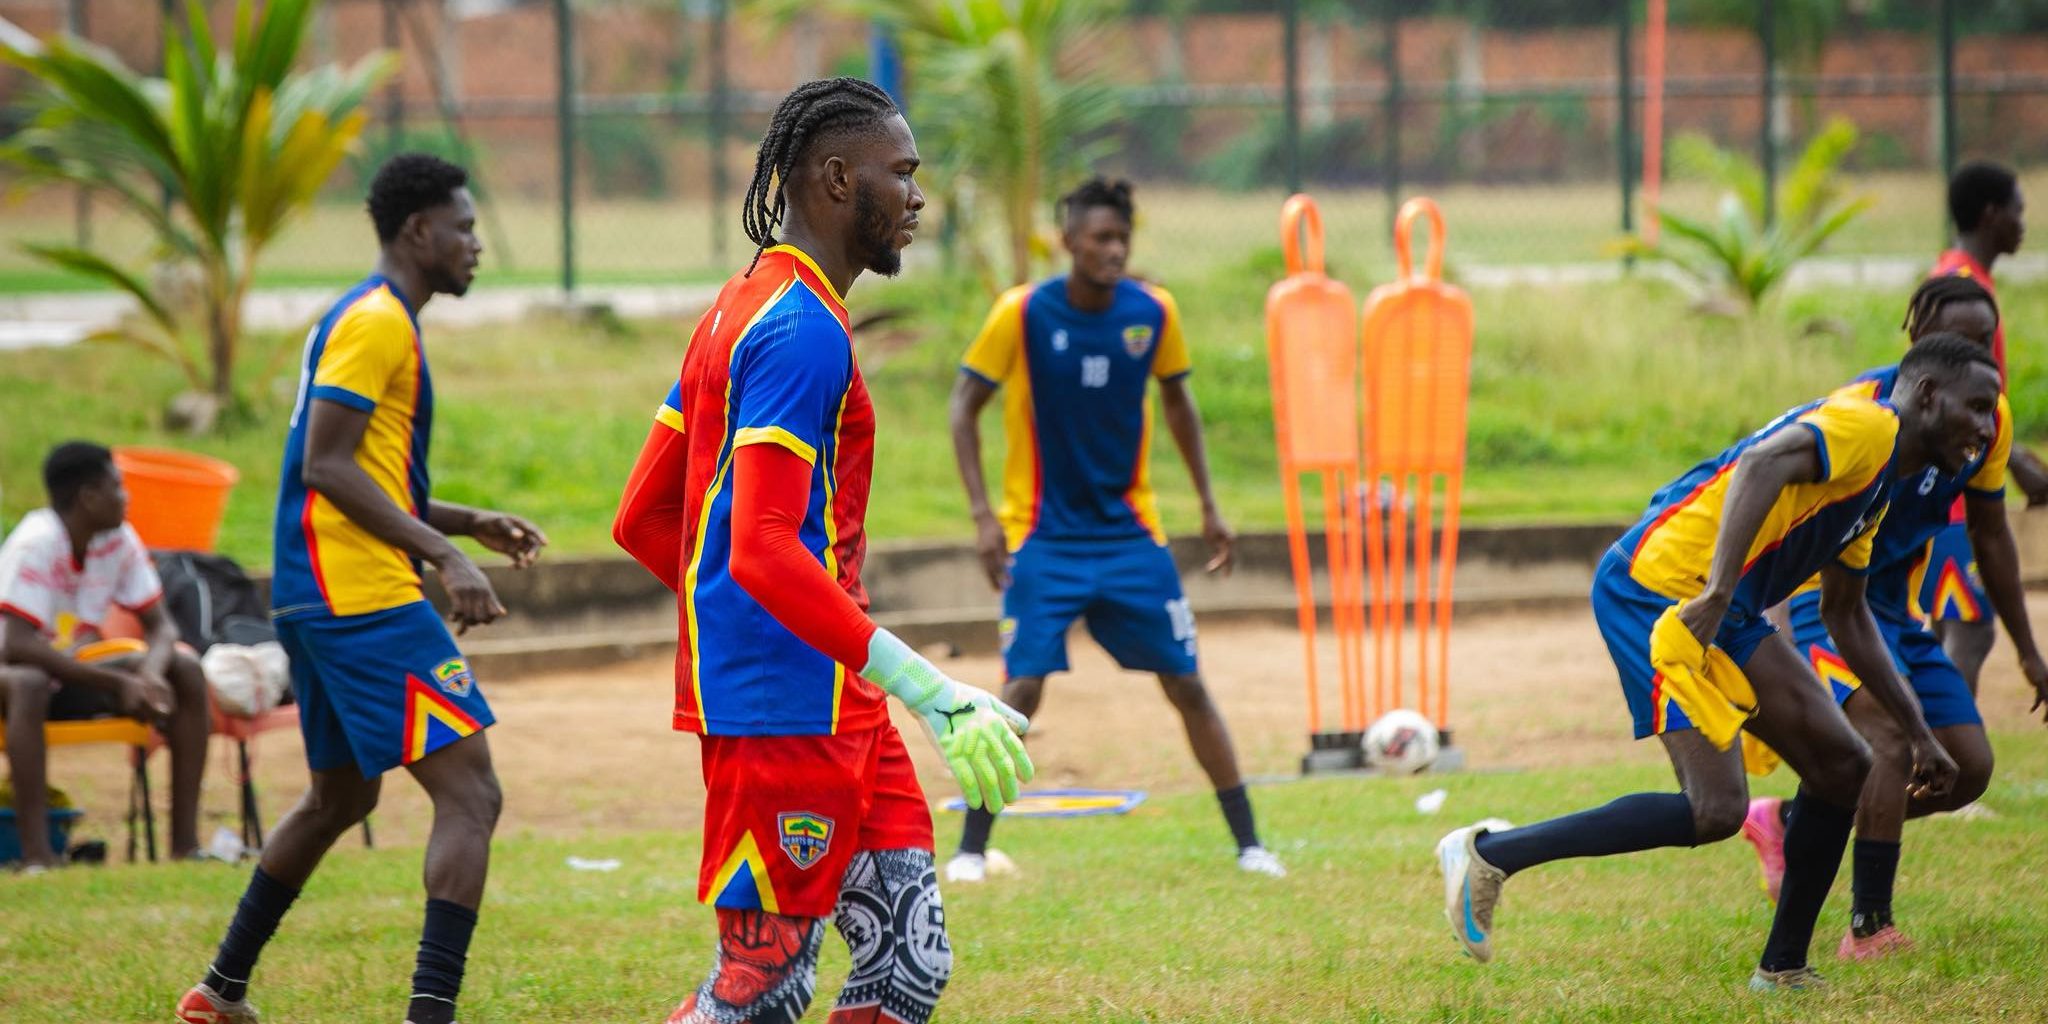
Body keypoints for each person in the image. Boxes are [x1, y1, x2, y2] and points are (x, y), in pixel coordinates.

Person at [613, 77, 1031, 1024]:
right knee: (761, 992)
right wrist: (930, 685)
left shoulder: (743, 305)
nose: (919, 197)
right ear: (840, 180)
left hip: (840, 695)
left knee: (904, 970)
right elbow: (757, 548)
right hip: (782, 716)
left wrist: (778, 623)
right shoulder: (801, 331)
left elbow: (648, 519)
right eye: (904, 173)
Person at [1436, 336, 2006, 990]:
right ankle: (1487, 856)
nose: (1989, 428)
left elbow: (1848, 614)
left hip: (1718, 600)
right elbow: (1762, 464)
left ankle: (1783, 969)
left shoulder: (1878, 487)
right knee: (1714, 808)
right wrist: (1719, 590)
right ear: (1929, 396)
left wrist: (1918, 733)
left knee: (1845, 765)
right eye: (1978, 407)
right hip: (1655, 590)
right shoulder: (1869, 424)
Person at [178, 153, 547, 1024]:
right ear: (418, 231)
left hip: (319, 594)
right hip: (359, 595)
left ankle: (220, 991)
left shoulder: (368, 318)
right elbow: (326, 466)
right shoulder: (378, 323)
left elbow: (363, 469)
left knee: (341, 796)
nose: (475, 244)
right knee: (472, 792)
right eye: (463, 227)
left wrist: (464, 524)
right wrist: (443, 560)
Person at [943, 177, 1284, 883]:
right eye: (1100, 237)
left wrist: (1209, 505)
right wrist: (982, 516)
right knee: (1023, 686)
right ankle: (972, 853)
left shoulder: (1152, 313)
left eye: (1122, 238)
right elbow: (963, 405)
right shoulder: (1023, 313)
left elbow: (1180, 401)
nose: (1114, 249)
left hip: (1132, 538)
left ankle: (1251, 845)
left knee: (1187, 685)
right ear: (1068, 241)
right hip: (1043, 538)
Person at [1753, 277, 2048, 960]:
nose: (1975, 352)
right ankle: (1869, 926)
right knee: (1886, 737)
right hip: (1822, 598)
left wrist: (2029, 651)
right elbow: (1775, 488)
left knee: (1968, 767)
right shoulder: (1860, 410)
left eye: (1984, 341)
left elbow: (1992, 533)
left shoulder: (1986, 418)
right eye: (1960, 339)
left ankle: (1791, 821)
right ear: (1920, 344)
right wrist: (1770, 612)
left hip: (1890, 608)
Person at [0, 441, 210, 869]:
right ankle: (38, 856)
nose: (126, 496)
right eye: (117, 486)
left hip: (72, 670)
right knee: (30, 682)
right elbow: (16, 646)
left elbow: (162, 626)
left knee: (185, 668)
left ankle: (185, 846)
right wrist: (119, 683)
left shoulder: (118, 539)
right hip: (15, 675)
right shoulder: (36, 543)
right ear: (88, 497)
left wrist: (149, 676)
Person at [1920, 160, 2047, 690]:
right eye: (2019, 209)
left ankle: (1931, 754)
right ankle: (1944, 754)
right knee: (1968, 632)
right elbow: (1947, 391)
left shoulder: (1966, 279)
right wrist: (2015, 461)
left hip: (1957, 482)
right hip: (1956, 491)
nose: (2025, 221)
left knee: (1957, 627)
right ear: (1993, 214)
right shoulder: (1959, 288)